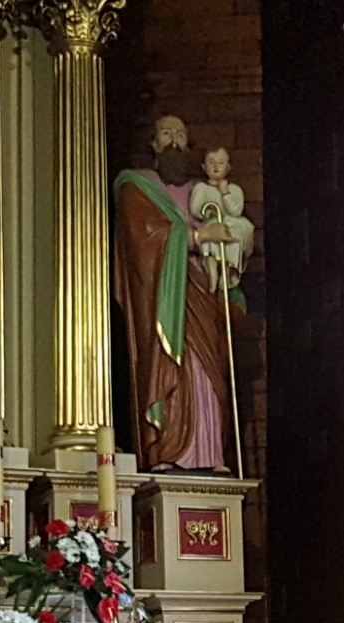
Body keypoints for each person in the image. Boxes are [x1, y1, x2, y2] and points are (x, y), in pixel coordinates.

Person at [113, 115, 238, 474]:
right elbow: (143, 239)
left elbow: (230, 229)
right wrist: (197, 237)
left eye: (180, 135)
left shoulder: (204, 192)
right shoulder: (137, 186)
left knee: (208, 372)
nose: (173, 140)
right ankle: (167, 449)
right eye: (165, 134)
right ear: (153, 144)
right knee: (172, 368)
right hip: (162, 300)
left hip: (202, 291)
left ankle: (210, 453)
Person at [190, 148, 255, 290]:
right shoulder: (201, 188)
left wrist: (225, 193)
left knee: (234, 236)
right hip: (213, 222)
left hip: (232, 223)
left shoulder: (235, 189)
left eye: (221, 162)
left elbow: (236, 211)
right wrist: (207, 213)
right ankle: (212, 272)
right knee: (211, 236)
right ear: (204, 167)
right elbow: (195, 209)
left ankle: (227, 271)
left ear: (228, 167)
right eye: (211, 162)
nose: (216, 166)